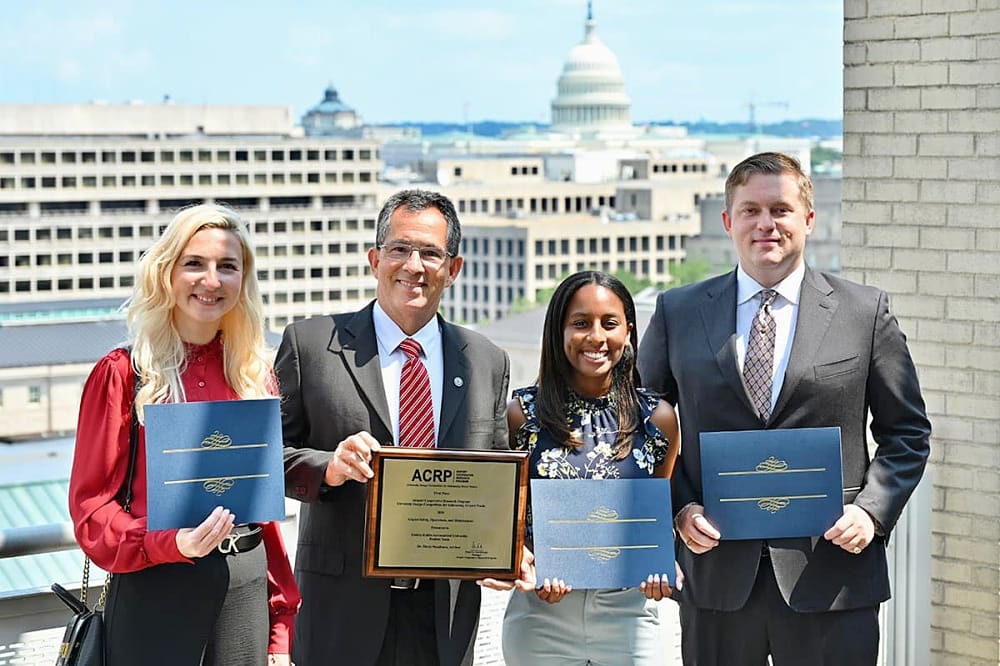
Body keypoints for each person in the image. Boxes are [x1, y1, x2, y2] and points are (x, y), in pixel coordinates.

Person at [637, 152, 931, 665]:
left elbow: (906, 432)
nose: (765, 224)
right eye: (750, 210)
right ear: (728, 221)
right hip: (717, 577)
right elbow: (642, 428)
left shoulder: (864, 312)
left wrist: (871, 511)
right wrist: (679, 510)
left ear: (809, 219)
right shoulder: (677, 311)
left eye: (780, 209)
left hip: (832, 574)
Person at [277, 189, 511, 666]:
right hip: (342, 612)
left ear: (453, 268)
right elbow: (267, 458)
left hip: (443, 617)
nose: (414, 265)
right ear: (375, 259)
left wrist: (506, 549)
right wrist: (329, 467)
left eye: (430, 253)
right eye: (400, 249)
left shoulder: (486, 360)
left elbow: (499, 478)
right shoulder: (311, 345)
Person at [69, 204, 301, 666]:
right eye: (195, 263)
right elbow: (91, 511)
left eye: (227, 266)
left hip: (245, 592)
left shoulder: (254, 375)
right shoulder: (123, 373)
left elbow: (262, 513)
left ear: (243, 280)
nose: (211, 281)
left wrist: (281, 624)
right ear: (167, 273)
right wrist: (168, 543)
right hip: (158, 587)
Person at [501, 270, 681, 666]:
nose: (596, 337)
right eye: (581, 323)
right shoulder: (520, 416)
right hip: (542, 615)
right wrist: (526, 560)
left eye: (609, 323)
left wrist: (659, 563)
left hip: (630, 613)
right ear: (558, 331)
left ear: (628, 331)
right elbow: (504, 518)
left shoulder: (658, 419)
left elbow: (658, 516)